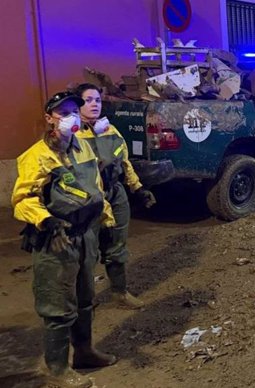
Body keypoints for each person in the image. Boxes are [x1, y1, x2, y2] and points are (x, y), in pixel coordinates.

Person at [12, 91, 118, 387]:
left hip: (86, 234)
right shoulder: (37, 155)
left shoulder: (83, 146)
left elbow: (95, 188)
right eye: (62, 113)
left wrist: (105, 218)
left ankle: (84, 352)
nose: (70, 116)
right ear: (49, 118)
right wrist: (46, 221)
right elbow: (22, 199)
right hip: (56, 238)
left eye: (74, 109)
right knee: (57, 304)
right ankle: (56, 368)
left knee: (85, 298)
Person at [74, 83, 156, 309]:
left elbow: (125, 162)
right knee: (86, 252)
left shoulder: (111, 131)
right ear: (77, 104)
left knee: (117, 246)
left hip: (115, 194)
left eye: (98, 100)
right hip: (86, 199)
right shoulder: (71, 135)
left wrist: (137, 188)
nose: (94, 104)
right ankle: (84, 302)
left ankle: (119, 293)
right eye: (88, 100)